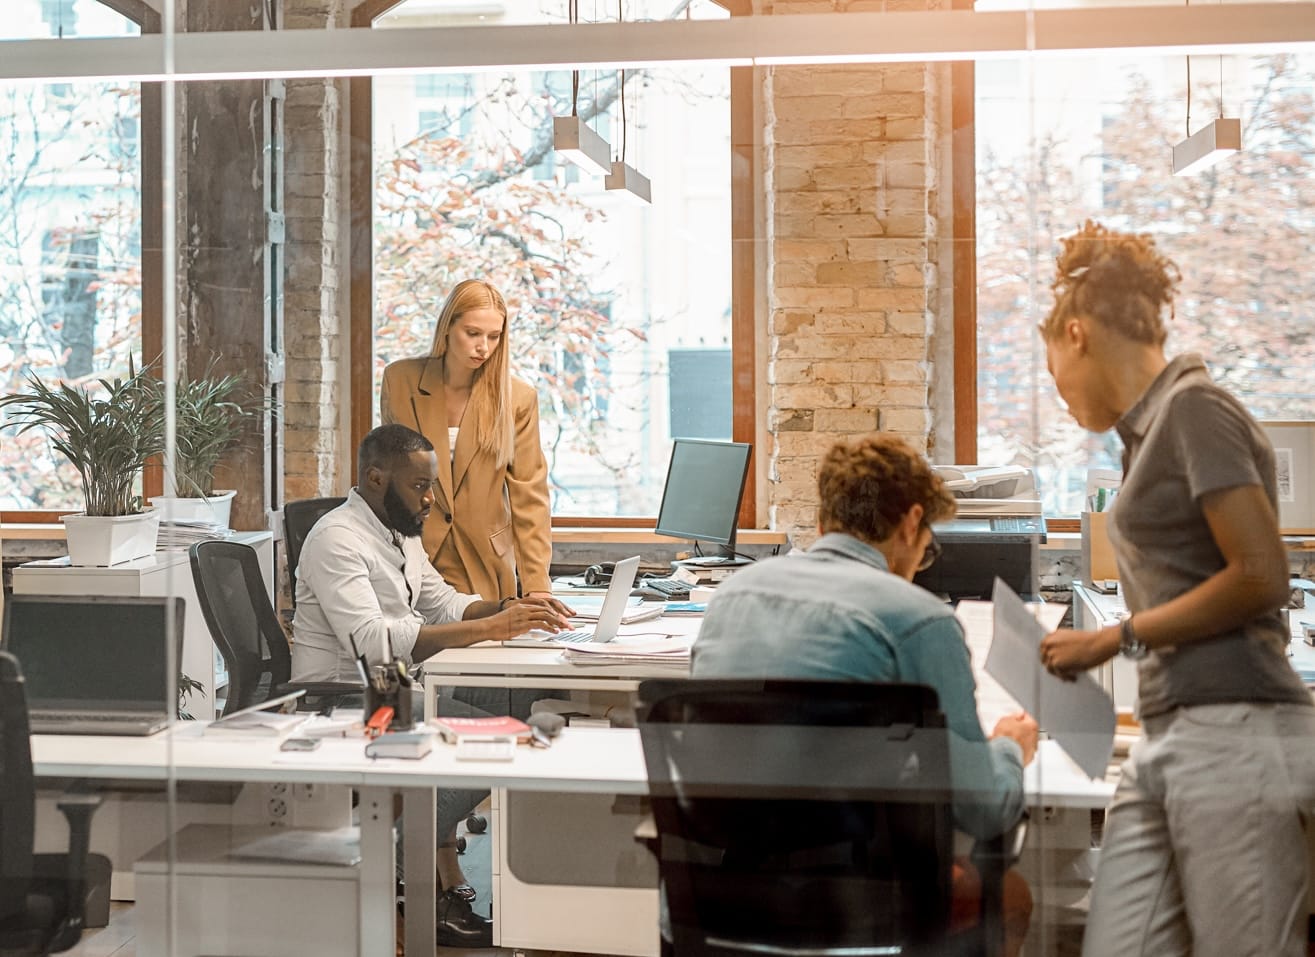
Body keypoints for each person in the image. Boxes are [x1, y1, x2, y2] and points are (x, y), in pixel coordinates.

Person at [1036, 221, 1315, 957]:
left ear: (1076, 334)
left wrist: (1115, 636)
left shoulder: (1194, 409)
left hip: (1237, 728)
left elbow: (1260, 574)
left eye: (1052, 371)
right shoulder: (1148, 431)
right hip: (1170, 731)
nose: (1058, 395)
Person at [691, 433, 1038, 957]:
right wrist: (1010, 746)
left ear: (825, 524)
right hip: (866, 903)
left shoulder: (729, 599)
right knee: (1011, 895)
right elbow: (983, 809)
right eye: (927, 544)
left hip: (731, 891)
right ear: (910, 522)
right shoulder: (920, 620)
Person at [291, 423, 572, 947]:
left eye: (432, 485)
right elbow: (372, 643)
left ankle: (480, 879)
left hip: (395, 682)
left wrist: (509, 608)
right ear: (377, 479)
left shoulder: (398, 531)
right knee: (499, 738)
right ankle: (391, 867)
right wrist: (487, 630)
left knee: (522, 699)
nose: (431, 499)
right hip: (347, 697)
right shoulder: (336, 539)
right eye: (420, 486)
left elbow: (439, 600)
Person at [380, 278, 552, 603]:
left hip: (485, 564)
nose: (483, 347)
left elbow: (530, 497)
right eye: (472, 333)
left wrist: (537, 586)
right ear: (448, 327)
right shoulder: (400, 380)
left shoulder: (518, 398)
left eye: (494, 336)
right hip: (413, 558)